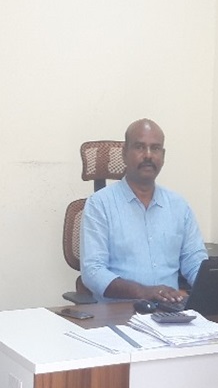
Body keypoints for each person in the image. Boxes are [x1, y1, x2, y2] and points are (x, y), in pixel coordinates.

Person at [80, 118, 208, 303]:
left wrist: (213, 288)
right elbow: (93, 272)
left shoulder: (179, 206)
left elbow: (195, 262)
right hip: (119, 312)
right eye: (140, 147)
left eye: (155, 148)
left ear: (163, 156)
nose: (148, 155)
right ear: (124, 154)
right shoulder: (99, 204)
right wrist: (144, 292)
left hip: (169, 310)